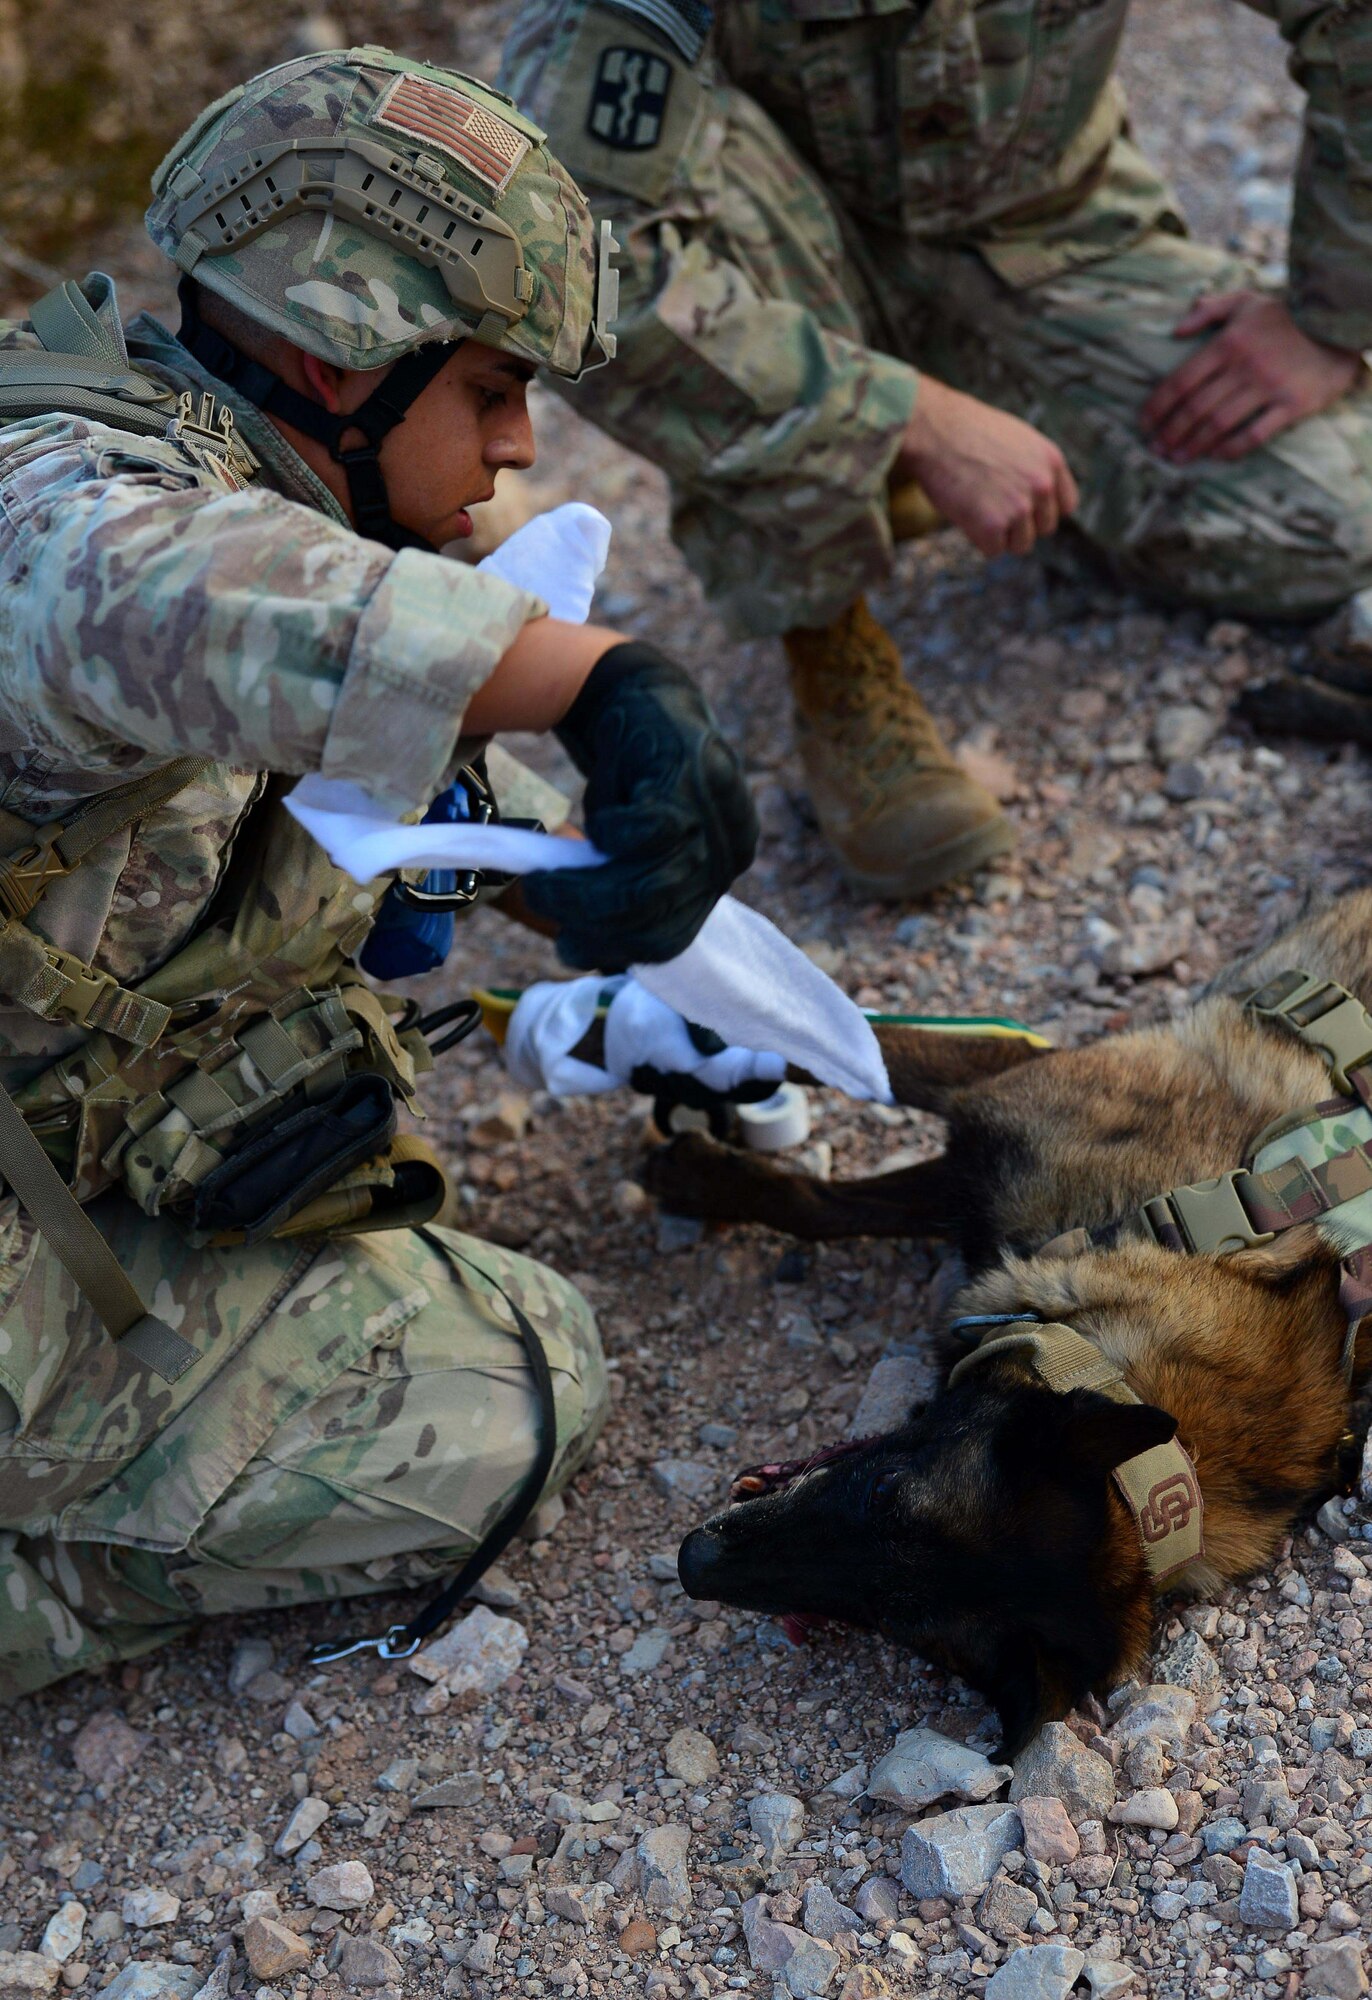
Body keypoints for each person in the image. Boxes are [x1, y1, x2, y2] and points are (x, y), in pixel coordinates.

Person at [0, 48, 756, 1700]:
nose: (516, 445)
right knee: (506, 1386)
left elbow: (392, 778)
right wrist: (603, 680)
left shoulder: (291, 487)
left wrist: (565, 887)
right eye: (486, 388)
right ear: (340, 348)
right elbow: (165, 597)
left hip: (72, 1135)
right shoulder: (62, 501)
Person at [501, 0, 1372, 899]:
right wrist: (907, 418)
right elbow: (574, 265)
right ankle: (828, 625)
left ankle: (978, 471)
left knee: (1329, 515)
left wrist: (1327, 320)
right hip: (773, 271)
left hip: (1035, 239)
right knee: (689, 157)